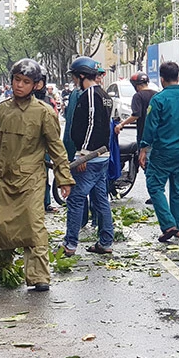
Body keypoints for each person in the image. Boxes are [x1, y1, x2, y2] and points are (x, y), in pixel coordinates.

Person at [0, 58, 75, 292]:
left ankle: (39, 277)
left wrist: (64, 178)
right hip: (3, 179)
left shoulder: (44, 112)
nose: (19, 85)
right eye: (16, 80)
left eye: (25, 81)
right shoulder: (3, 109)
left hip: (31, 181)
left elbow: (56, 148)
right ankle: (4, 268)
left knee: (34, 226)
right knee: (0, 224)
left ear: (36, 85)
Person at [139, 61, 179, 243]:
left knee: (154, 185)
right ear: (178, 77)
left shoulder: (159, 100)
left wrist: (143, 149)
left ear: (162, 79)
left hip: (162, 152)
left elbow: (150, 127)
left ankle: (168, 224)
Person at [61, 56, 115, 256]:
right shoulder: (103, 94)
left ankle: (70, 244)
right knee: (100, 200)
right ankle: (106, 242)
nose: (74, 81)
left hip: (90, 157)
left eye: (75, 77)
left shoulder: (91, 95)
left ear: (82, 75)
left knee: (76, 199)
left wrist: (82, 155)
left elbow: (92, 126)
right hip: (100, 156)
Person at [114, 71, 159, 204]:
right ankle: (157, 193)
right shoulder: (156, 95)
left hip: (144, 136)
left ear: (135, 85)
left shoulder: (138, 96)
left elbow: (136, 115)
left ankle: (155, 194)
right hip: (158, 136)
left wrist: (121, 124)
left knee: (146, 165)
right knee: (155, 166)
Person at [34, 65, 58, 213]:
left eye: (39, 82)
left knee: (45, 176)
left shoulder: (49, 101)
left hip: (45, 147)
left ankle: (46, 202)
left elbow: (55, 125)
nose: (37, 85)